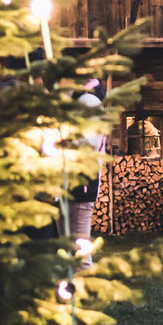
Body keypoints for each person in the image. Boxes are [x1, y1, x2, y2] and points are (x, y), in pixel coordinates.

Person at [66, 85, 106, 264]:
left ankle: (85, 289)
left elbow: (86, 143)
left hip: (80, 183)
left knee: (79, 251)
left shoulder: (88, 101)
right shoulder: (86, 102)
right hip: (77, 182)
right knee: (72, 248)